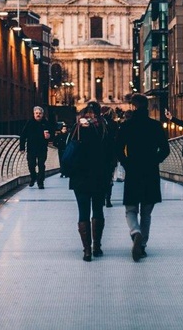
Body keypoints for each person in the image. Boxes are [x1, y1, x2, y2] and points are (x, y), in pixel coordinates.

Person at [117, 93, 170, 262]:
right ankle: (143, 246)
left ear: (133, 107)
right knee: (146, 212)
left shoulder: (127, 126)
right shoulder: (155, 126)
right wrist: (154, 160)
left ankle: (135, 232)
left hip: (133, 171)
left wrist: (126, 163)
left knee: (131, 209)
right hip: (150, 172)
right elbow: (165, 149)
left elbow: (117, 149)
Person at [68, 101, 114, 261]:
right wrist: (109, 174)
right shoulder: (104, 128)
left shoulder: (77, 129)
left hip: (79, 177)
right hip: (99, 177)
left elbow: (67, 149)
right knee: (98, 210)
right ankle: (97, 247)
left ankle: (86, 251)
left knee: (83, 212)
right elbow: (111, 154)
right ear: (98, 113)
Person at [19, 106, 52, 189]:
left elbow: (52, 133)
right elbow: (23, 135)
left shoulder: (46, 123)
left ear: (42, 114)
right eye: (36, 113)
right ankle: (33, 177)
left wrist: (49, 137)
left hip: (42, 148)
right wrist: (22, 147)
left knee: (41, 165)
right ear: (34, 114)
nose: (38, 115)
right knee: (31, 164)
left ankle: (40, 182)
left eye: (40, 113)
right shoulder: (29, 123)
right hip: (31, 148)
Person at [101, 106, 119, 207]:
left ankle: (102, 197)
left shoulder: (98, 123)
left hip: (99, 155)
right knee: (109, 177)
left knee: (100, 177)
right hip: (111, 155)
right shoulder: (114, 124)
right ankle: (108, 199)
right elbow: (117, 140)